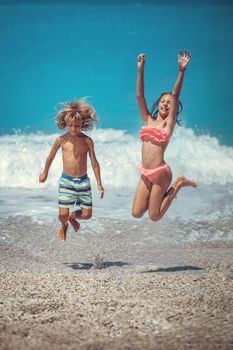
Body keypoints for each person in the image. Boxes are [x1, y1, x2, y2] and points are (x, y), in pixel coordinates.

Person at [132, 50, 197, 221]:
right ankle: (165, 191)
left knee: (155, 216)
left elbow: (175, 95)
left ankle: (178, 184)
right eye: (163, 101)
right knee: (136, 213)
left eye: (169, 102)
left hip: (161, 172)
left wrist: (181, 71)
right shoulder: (147, 119)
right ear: (158, 104)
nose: (166, 104)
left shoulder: (168, 124)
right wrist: (140, 69)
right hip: (146, 172)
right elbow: (139, 95)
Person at [39, 99, 104, 241]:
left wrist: (99, 183)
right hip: (66, 181)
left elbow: (94, 162)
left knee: (87, 215)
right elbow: (50, 157)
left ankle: (72, 216)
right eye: (70, 125)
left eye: (77, 125)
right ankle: (64, 224)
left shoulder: (87, 141)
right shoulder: (61, 140)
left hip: (83, 181)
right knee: (62, 215)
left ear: (83, 124)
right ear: (65, 124)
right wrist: (45, 172)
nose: (74, 128)